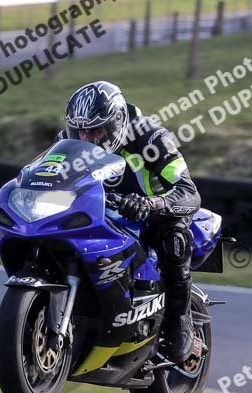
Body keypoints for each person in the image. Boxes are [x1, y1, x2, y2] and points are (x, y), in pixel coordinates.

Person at [58, 80, 201, 365]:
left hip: (152, 210)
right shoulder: (67, 139)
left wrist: (153, 203)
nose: (87, 140)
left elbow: (189, 192)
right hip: (101, 209)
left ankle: (180, 319)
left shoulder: (151, 137)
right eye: (80, 131)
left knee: (174, 237)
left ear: (117, 122)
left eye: (96, 131)